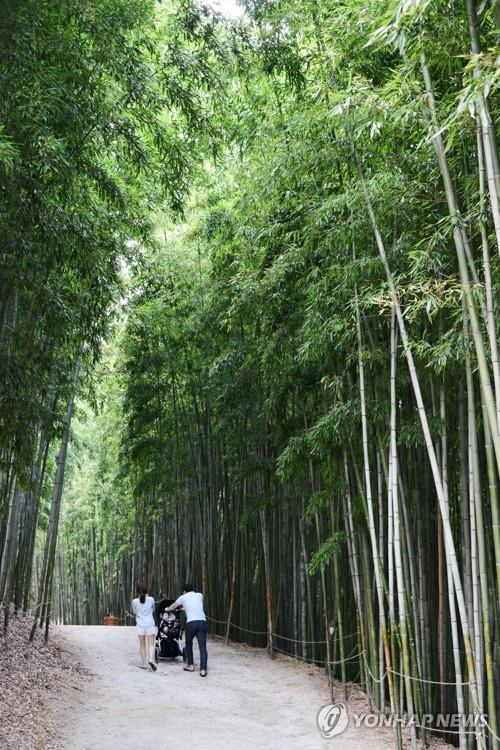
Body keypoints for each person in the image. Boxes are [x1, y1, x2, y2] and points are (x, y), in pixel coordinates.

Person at [166, 583, 207, 676]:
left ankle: (190, 665)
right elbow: (194, 605)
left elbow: (173, 606)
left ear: (184, 591)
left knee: (188, 643)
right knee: (202, 647)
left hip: (191, 623)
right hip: (202, 622)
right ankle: (203, 670)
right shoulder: (199, 595)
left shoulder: (183, 597)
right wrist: (185, 608)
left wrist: (167, 609)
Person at [132, 583, 157, 672]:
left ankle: (143, 664)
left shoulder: (134, 601)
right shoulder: (151, 599)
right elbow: (153, 609)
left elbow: (135, 612)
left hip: (140, 625)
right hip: (150, 624)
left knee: (142, 644)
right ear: (146, 591)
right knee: (151, 644)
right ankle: (150, 659)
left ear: (137, 592)